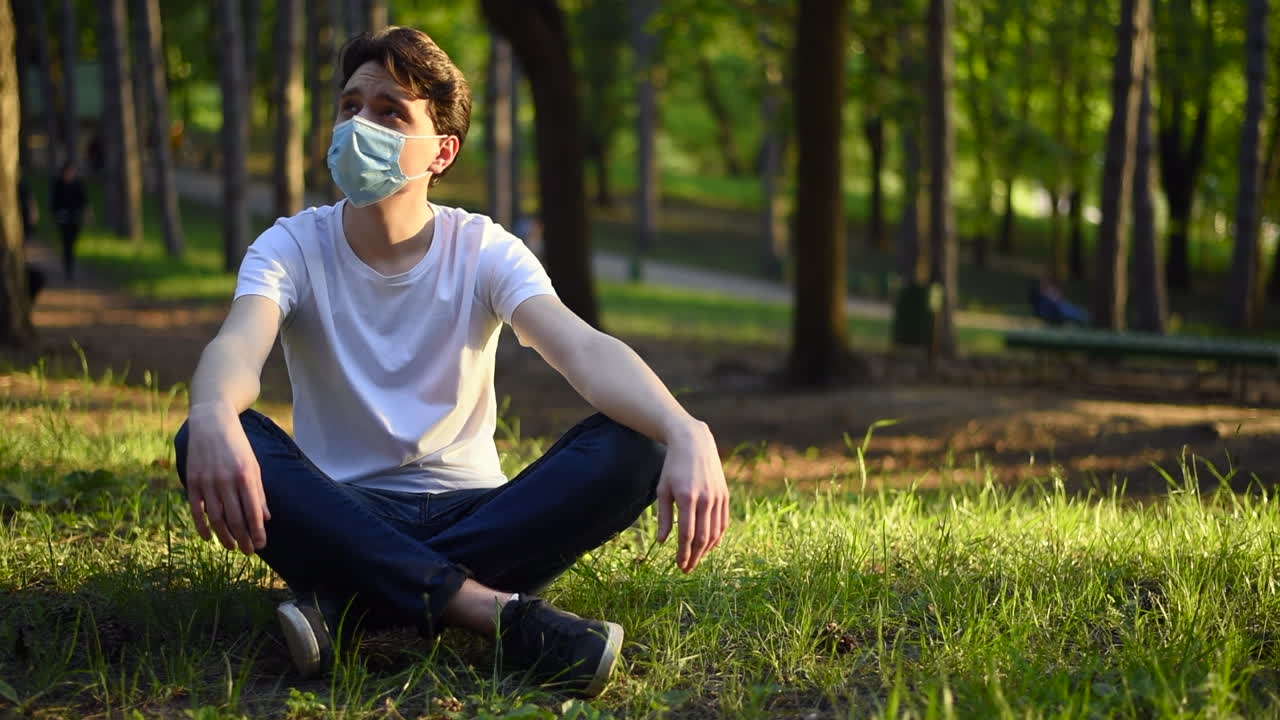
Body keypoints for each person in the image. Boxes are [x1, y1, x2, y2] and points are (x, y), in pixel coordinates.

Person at [173, 27, 729, 698]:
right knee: (224, 434)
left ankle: (352, 605)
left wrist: (683, 426)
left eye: (389, 112)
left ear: (441, 151)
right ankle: (495, 612)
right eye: (350, 106)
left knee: (637, 440)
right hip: (342, 508)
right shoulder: (292, 245)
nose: (359, 125)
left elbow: (581, 348)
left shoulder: (483, 248)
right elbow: (238, 343)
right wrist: (210, 411)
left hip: (479, 512)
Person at [51, 162, 88, 280]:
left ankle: (70, 263)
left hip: (75, 219)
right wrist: (55, 215)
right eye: (66, 172)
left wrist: (86, 214)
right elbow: (54, 202)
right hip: (63, 220)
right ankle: (68, 267)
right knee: (66, 244)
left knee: (72, 243)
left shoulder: (78, 185)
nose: (68, 174)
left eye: (70, 172)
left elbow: (84, 201)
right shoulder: (58, 185)